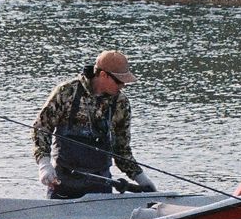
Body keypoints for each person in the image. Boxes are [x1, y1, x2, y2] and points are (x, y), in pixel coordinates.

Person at [32, 50, 156, 199]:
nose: (123, 85)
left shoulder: (121, 103)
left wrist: (141, 179)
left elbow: (121, 150)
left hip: (101, 184)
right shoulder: (67, 92)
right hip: (63, 181)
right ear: (103, 75)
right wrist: (44, 164)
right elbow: (41, 128)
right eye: (119, 81)